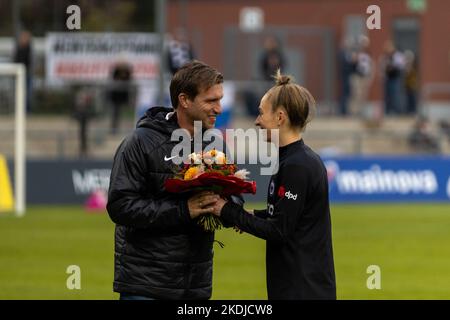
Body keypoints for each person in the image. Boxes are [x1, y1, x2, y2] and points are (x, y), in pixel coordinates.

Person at [107, 60, 242, 300]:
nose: (219, 108)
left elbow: (235, 199)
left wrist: (223, 207)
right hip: (146, 285)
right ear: (185, 100)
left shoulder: (216, 144)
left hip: (195, 284)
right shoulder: (139, 143)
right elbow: (120, 206)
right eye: (211, 100)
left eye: (220, 100)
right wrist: (184, 209)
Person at [208, 70, 336, 300]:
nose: (257, 121)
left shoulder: (298, 166)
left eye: (260, 114)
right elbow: (284, 214)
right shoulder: (294, 159)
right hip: (298, 286)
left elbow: (279, 230)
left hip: (303, 289)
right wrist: (250, 214)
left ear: (280, 117)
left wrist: (225, 210)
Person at [108, 60, 133, 135]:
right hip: (116, 96)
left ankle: (128, 130)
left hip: (124, 96)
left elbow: (129, 79)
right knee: (115, 114)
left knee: (127, 113)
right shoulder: (116, 71)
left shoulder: (127, 71)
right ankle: (114, 130)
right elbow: (113, 79)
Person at [381, 40, 405, 115]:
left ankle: (397, 111)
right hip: (388, 78)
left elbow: (401, 66)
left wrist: (392, 67)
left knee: (396, 95)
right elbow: (383, 66)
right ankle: (388, 111)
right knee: (387, 96)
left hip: (395, 78)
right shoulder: (385, 56)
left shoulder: (398, 55)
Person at [13, 30, 33, 113]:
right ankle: (18, 109)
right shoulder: (18, 48)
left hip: (26, 73)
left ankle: (27, 110)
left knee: (27, 93)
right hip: (18, 73)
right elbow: (16, 59)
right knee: (18, 92)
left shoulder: (28, 48)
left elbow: (29, 61)